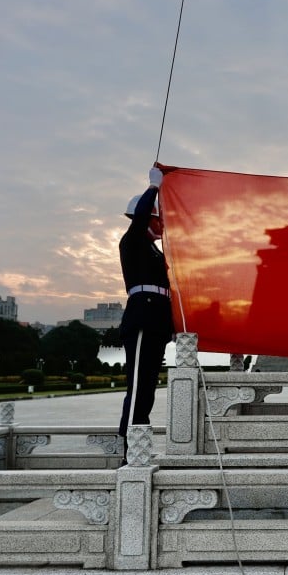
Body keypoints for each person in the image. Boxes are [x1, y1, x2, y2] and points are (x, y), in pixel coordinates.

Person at [117, 168, 174, 464]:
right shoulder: (133, 241)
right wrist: (154, 187)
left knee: (148, 389)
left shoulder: (156, 251)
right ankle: (129, 449)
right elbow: (140, 218)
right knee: (138, 386)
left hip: (157, 322)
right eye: (159, 218)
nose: (163, 224)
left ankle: (139, 443)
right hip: (141, 318)